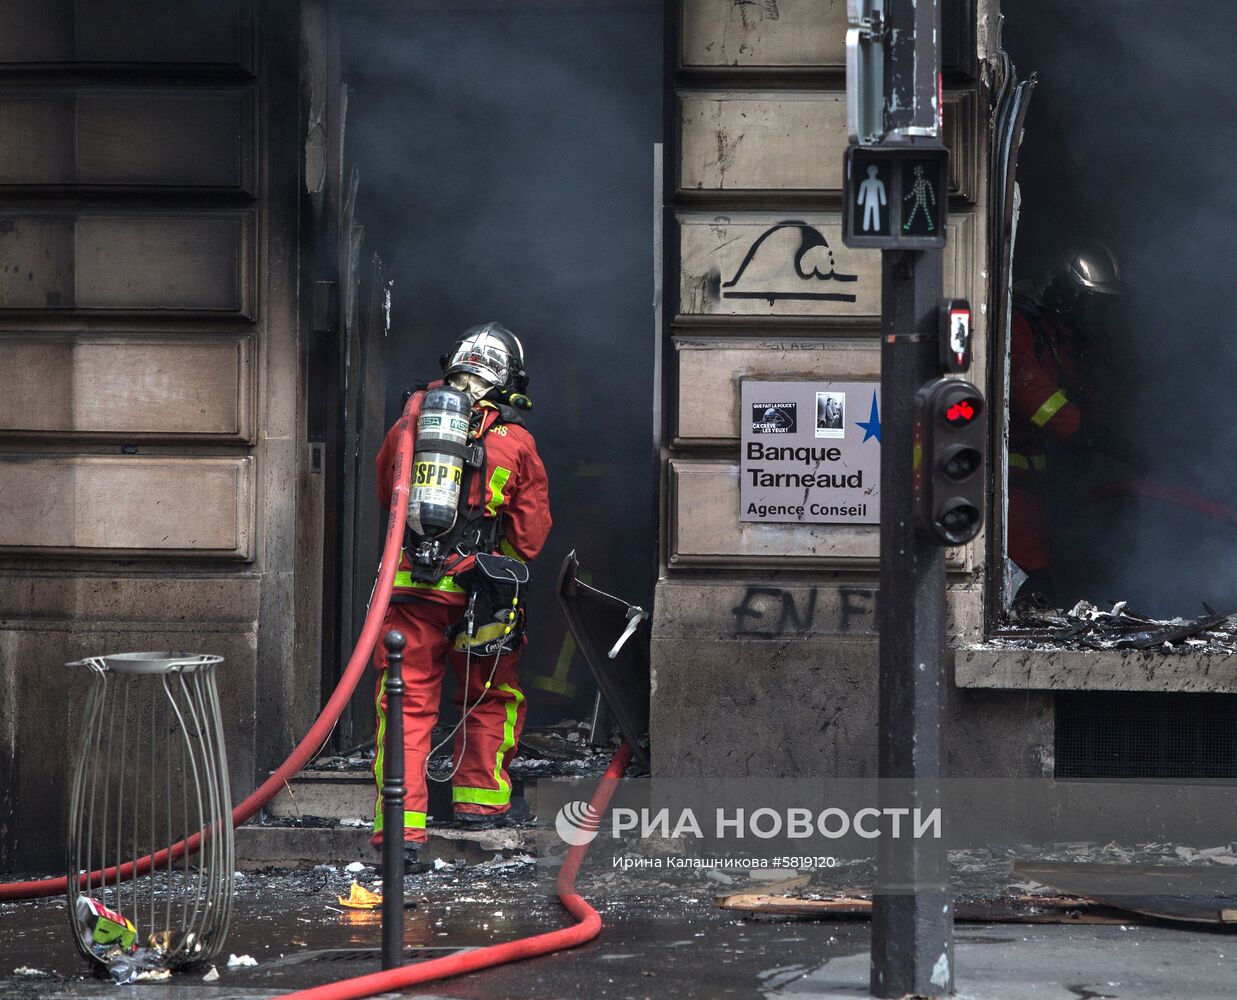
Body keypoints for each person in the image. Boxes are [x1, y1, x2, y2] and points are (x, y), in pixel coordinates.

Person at [370, 322, 552, 868]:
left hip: (410, 589)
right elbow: (530, 534)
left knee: (407, 703)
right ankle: (481, 804)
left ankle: (400, 833)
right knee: (491, 694)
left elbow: (388, 493)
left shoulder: (412, 421)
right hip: (482, 593)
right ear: (506, 379)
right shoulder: (516, 439)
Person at [1008, 242, 1138, 598]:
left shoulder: (1069, 341)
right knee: (1030, 579)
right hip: (1006, 488)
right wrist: (1096, 436)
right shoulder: (1022, 326)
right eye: (1093, 302)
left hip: (1041, 486)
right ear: (1067, 293)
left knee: (1047, 572)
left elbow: (1093, 400)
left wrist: (1124, 441)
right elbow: (1033, 397)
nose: (1097, 314)